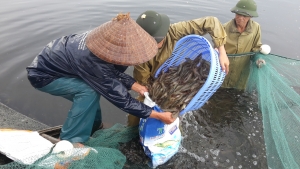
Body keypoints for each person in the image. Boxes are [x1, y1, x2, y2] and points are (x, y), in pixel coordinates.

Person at [26, 13, 176, 145]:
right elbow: (122, 99)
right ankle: (71, 140)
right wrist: (158, 115)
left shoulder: (105, 41)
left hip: (61, 59)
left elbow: (108, 71)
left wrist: (134, 84)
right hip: (44, 75)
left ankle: (93, 127)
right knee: (88, 92)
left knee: (93, 90)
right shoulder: (94, 62)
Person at [127, 10, 230, 126]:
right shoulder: (140, 54)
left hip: (175, 72)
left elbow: (211, 22)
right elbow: (143, 82)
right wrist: (151, 94)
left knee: (173, 114)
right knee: (136, 116)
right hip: (156, 82)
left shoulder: (173, 31)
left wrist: (222, 50)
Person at [221, 0, 262, 90]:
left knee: (238, 93)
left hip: (242, 72)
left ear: (250, 16)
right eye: (238, 14)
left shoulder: (256, 28)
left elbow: (256, 48)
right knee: (220, 92)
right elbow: (218, 47)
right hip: (225, 71)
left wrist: (259, 59)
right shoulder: (224, 28)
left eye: (244, 16)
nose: (240, 18)